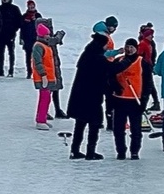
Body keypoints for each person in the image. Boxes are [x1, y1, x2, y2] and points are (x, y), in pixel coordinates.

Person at [66, 25, 112, 160]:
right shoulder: (99, 58)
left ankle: (75, 150)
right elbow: (110, 71)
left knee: (80, 124)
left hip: (79, 96)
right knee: (95, 124)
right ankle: (90, 152)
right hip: (92, 97)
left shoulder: (86, 54)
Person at [108, 37, 145, 159]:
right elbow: (110, 76)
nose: (129, 49)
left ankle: (134, 151)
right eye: (127, 47)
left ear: (136, 48)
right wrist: (115, 86)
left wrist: (144, 100)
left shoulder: (141, 62)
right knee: (118, 129)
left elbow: (148, 83)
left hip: (135, 100)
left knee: (136, 129)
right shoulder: (118, 61)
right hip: (119, 99)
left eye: (132, 47)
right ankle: (121, 151)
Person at [31, 23, 59, 126]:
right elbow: (38, 62)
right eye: (47, 34)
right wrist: (43, 75)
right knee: (44, 98)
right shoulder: (39, 46)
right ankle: (40, 120)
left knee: (47, 98)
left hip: (48, 76)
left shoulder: (46, 46)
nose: (49, 36)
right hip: (43, 77)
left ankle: (42, 118)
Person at [0, 0, 19, 76]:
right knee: (1, 53)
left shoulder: (14, 9)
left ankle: (11, 70)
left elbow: (18, 21)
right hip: (0, 35)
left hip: (10, 35)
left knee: (11, 53)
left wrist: (14, 31)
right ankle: (1, 70)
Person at [137, 23, 159, 112]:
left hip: (146, 66)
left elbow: (140, 55)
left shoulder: (147, 43)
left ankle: (145, 104)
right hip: (146, 66)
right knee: (148, 86)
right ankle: (148, 103)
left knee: (148, 86)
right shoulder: (145, 43)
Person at [18, 0, 41, 77]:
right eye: (30, 5)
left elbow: (41, 27)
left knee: (36, 57)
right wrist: (21, 38)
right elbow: (22, 28)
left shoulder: (38, 15)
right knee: (28, 57)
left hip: (36, 39)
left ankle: (37, 72)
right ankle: (29, 72)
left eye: (32, 5)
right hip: (27, 39)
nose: (31, 7)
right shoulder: (24, 16)